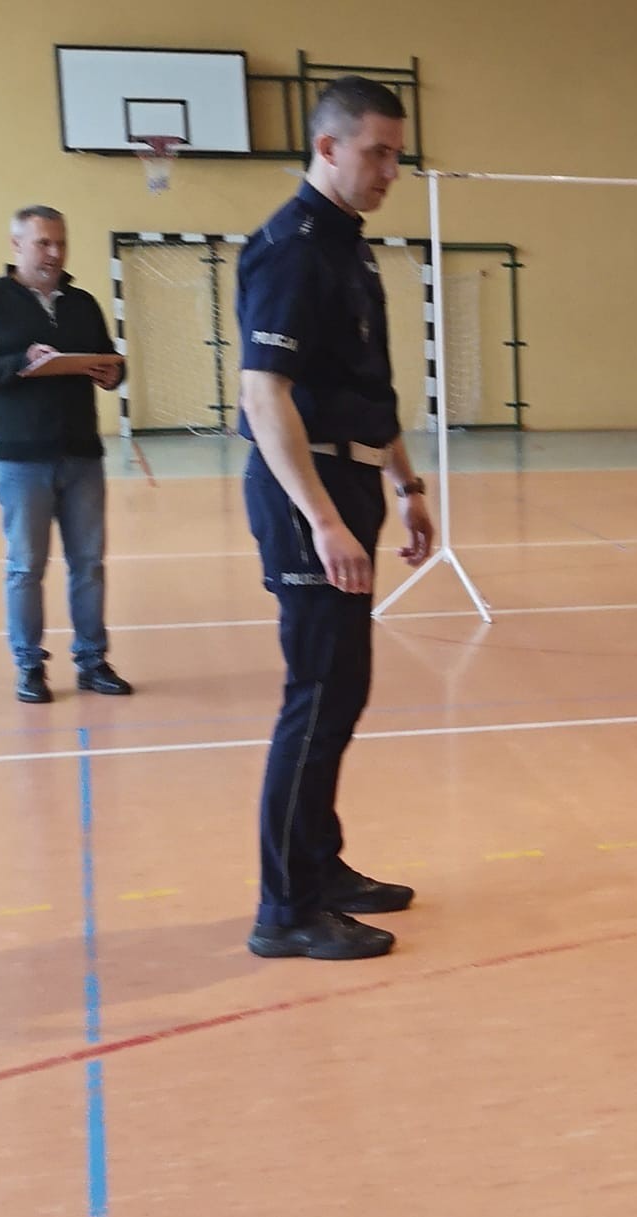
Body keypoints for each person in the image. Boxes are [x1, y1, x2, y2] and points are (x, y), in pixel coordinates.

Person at [235, 76, 434, 961]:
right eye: (377, 152)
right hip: (305, 492)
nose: (391, 170)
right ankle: (284, 909)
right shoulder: (291, 249)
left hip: (352, 481)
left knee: (343, 689)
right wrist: (321, 520)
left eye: (397, 154)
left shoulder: (350, 249)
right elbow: (264, 395)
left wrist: (406, 485)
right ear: (327, 147)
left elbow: (369, 389)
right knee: (316, 694)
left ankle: (320, 865)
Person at [0, 205, 135, 704]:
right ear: (17, 245)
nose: (55, 253)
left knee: (89, 564)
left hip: (82, 456)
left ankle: (92, 661)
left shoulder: (83, 303)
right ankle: (29, 665)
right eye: (43, 243)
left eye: (61, 243)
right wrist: (19, 362)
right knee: (26, 567)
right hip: (21, 459)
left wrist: (113, 374)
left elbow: (110, 359)